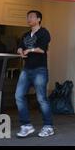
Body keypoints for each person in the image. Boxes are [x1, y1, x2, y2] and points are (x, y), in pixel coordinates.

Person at [15, 10, 53, 138]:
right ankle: (26, 125)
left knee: (41, 98)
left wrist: (29, 50)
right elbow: (20, 46)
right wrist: (20, 51)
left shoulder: (44, 32)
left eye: (31, 17)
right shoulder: (25, 34)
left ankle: (48, 126)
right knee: (19, 95)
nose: (29, 19)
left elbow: (42, 49)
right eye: (28, 17)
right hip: (26, 69)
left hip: (39, 69)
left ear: (39, 19)